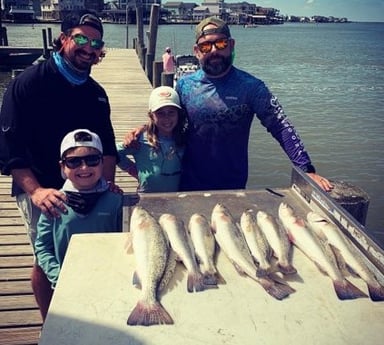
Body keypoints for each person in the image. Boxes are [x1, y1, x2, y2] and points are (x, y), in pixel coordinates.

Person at [0, 10, 120, 320]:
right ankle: (49, 321)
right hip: (40, 186)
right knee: (46, 258)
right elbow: (11, 149)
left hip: (89, 183)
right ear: (63, 39)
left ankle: (94, 313)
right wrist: (37, 192)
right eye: (81, 38)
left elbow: (107, 148)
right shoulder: (27, 83)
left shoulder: (96, 94)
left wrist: (104, 185)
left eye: (96, 42)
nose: (89, 47)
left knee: (94, 252)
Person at [125, 17, 332, 192]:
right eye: (206, 46)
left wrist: (306, 170)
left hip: (233, 186)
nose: (214, 50)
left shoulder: (252, 88)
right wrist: (143, 128)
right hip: (188, 183)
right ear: (197, 51)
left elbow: (281, 126)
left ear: (231, 45)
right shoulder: (185, 86)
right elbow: (168, 118)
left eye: (221, 44)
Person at [34, 129, 123, 320]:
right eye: (74, 162)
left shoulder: (116, 201)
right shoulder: (53, 201)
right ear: (62, 167)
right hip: (68, 286)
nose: (84, 168)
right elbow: (42, 246)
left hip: (108, 282)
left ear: (102, 162)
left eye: (92, 160)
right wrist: (59, 277)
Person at [116, 86, 187, 192]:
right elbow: (115, 152)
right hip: (148, 197)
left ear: (178, 114)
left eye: (171, 112)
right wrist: (133, 170)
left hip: (178, 196)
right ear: (151, 115)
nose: (166, 118)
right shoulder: (140, 140)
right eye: (160, 113)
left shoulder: (185, 138)